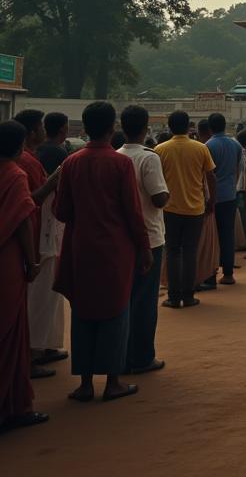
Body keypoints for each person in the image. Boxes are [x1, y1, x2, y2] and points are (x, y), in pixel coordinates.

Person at [54, 101, 152, 402]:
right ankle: (112, 381)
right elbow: (133, 213)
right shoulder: (120, 164)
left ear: (85, 128)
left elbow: (61, 210)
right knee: (116, 310)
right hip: (115, 248)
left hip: (81, 245)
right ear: (113, 129)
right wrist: (144, 247)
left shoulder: (71, 162)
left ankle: (84, 383)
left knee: (83, 311)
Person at [0, 120, 47, 433]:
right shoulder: (15, 174)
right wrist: (32, 261)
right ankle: (11, 407)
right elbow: (23, 221)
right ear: (21, 144)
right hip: (9, 260)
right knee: (11, 332)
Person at [117, 105, 169, 374]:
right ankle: (142, 356)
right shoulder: (149, 159)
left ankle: (121, 353)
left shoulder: (116, 156)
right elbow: (159, 198)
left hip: (121, 237)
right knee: (145, 301)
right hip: (149, 235)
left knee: (124, 298)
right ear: (146, 127)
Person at [19, 110, 65, 376]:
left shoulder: (28, 159)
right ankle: (33, 353)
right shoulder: (25, 162)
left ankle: (44, 345)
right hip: (39, 236)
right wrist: (54, 180)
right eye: (38, 128)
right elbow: (30, 201)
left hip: (43, 232)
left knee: (48, 296)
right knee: (39, 298)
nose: (42, 132)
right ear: (30, 132)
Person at [155, 110, 215, 308]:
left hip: (170, 208)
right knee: (190, 251)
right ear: (189, 126)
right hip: (195, 208)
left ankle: (173, 295)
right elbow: (210, 177)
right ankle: (188, 295)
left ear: (170, 127)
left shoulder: (160, 149)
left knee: (172, 251)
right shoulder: (200, 148)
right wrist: (211, 201)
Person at [204, 112, 243, 284]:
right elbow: (237, 168)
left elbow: (208, 174)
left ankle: (210, 274)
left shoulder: (208, 146)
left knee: (211, 236)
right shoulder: (235, 145)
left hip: (212, 196)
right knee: (227, 235)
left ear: (210, 128)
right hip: (229, 193)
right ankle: (228, 273)